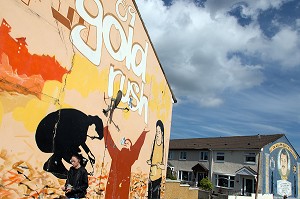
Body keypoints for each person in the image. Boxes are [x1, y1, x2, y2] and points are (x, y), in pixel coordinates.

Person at [103, 126, 148, 199]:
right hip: (113, 183)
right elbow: (110, 143)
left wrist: (144, 132)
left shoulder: (131, 156)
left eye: (128, 143)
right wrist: (105, 129)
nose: (126, 143)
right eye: (125, 142)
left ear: (130, 147)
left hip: (123, 183)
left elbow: (138, 145)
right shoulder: (116, 154)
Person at [148, 120, 165, 199]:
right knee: (149, 195)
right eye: (156, 131)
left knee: (155, 195)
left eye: (158, 131)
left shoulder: (163, 147)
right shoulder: (153, 144)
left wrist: (159, 165)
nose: (157, 133)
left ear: (162, 133)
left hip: (158, 176)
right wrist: (149, 161)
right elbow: (151, 158)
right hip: (151, 174)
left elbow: (164, 166)